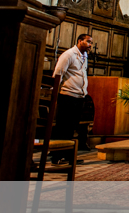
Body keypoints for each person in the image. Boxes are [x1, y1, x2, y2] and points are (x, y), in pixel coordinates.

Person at [51, 33, 93, 164]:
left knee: (72, 128)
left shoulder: (84, 56)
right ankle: (56, 156)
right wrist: (54, 93)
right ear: (80, 41)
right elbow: (58, 73)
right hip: (67, 95)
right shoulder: (68, 54)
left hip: (79, 96)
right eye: (88, 42)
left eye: (90, 42)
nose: (90, 45)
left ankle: (69, 156)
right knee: (63, 127)